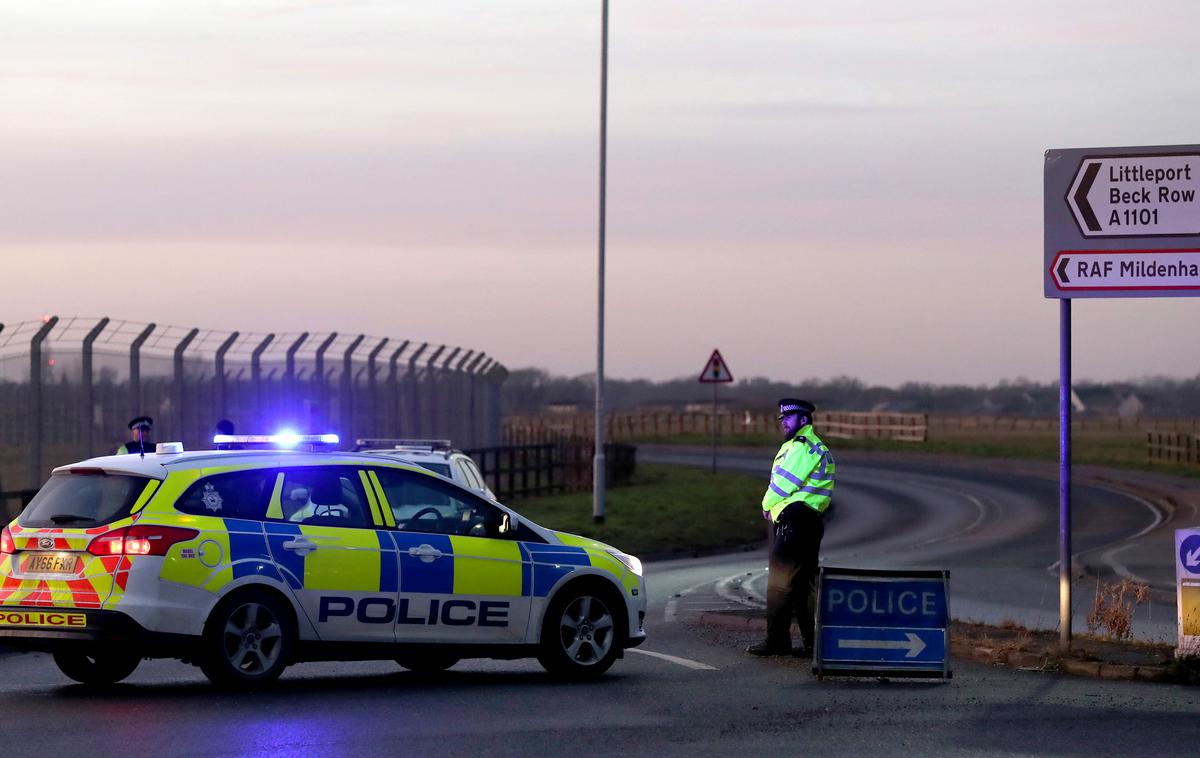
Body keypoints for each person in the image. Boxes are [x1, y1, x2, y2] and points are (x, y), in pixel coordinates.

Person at [747, 399, 835, 657]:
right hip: (809, 522)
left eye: (789, 417)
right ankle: (811, 643)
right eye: (782, 418)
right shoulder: (816, 447)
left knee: (779, 584)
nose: (783, 422)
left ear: (804, 420)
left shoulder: (801, 447)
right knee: (802, 586)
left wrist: (765, 505)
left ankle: (777, 641)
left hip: (795, 520)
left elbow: (784, 484)